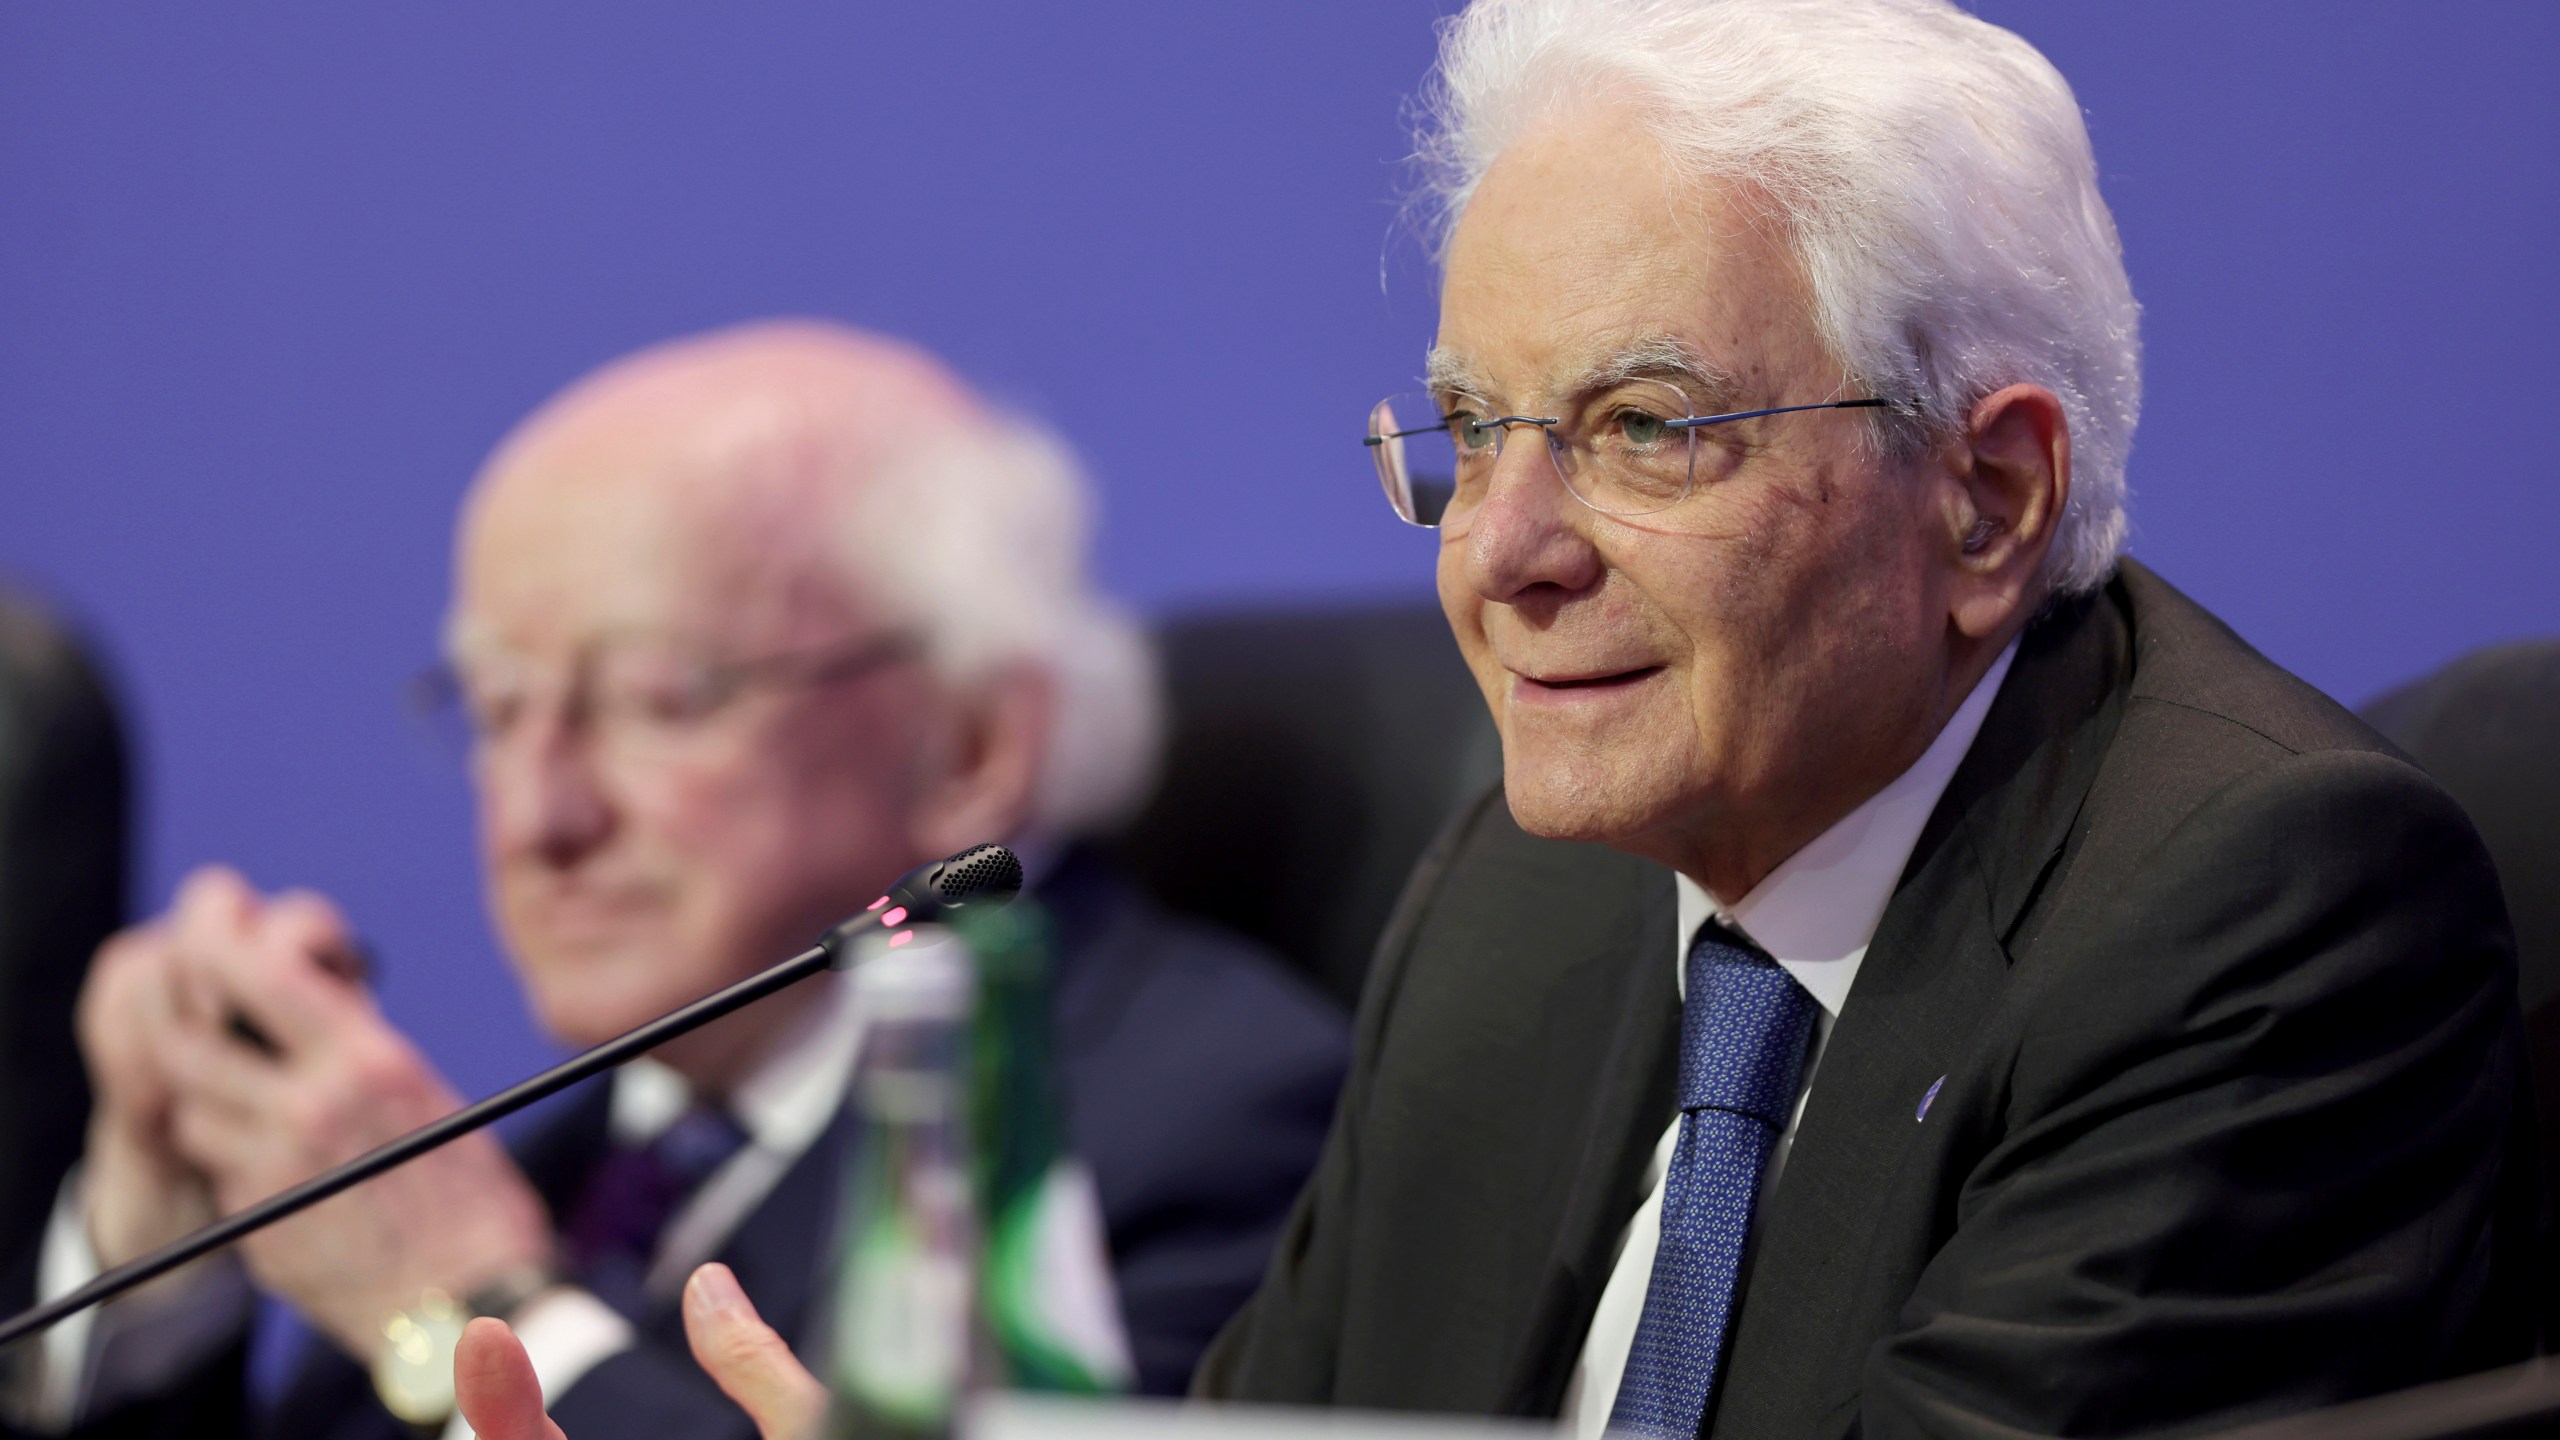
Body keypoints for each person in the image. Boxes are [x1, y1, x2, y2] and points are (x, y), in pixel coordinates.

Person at [454, 0, 2542, 1434]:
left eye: (1644, 432)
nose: (1497, 555)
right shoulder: (1517, 893)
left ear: (1982, 497)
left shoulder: (2248, 914)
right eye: (1467, 435)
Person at [6, 321, 1348, 1439]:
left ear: (968, 745)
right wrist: (154, 1269)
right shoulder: (596, 1153)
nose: (540, 814)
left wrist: (478, 1298)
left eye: (653, 699)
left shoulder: (1209, 1136)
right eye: (498, 706)